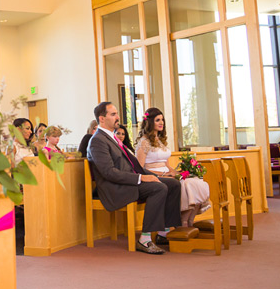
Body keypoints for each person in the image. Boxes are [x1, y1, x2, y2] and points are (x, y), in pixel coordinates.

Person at [86, 101, 182, 255]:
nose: (118, 117)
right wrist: (142, 179)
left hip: (129, 181)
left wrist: (150, 176)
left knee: (173, 184)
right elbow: (109, 172)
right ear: (102, 119)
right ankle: (144, 240)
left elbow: (134, 166)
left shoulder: (113, 138)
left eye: (117, 113)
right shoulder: (97, 141)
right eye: (113, 114)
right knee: (159, 188)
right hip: (115, 188)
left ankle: (164, 233)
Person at [134, 107, 210, 228]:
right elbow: (140, 168)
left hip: (167, 175)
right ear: (150, 122)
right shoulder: (144, 142)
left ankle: (189, 220)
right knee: (187, 185)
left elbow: (167, 165)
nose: (161, 123)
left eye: (162, 120)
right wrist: (164, 175)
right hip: (156, 177)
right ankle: (182, 222)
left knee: (196, 180)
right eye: (158, 120)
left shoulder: (161, 141)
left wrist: (179, 173)